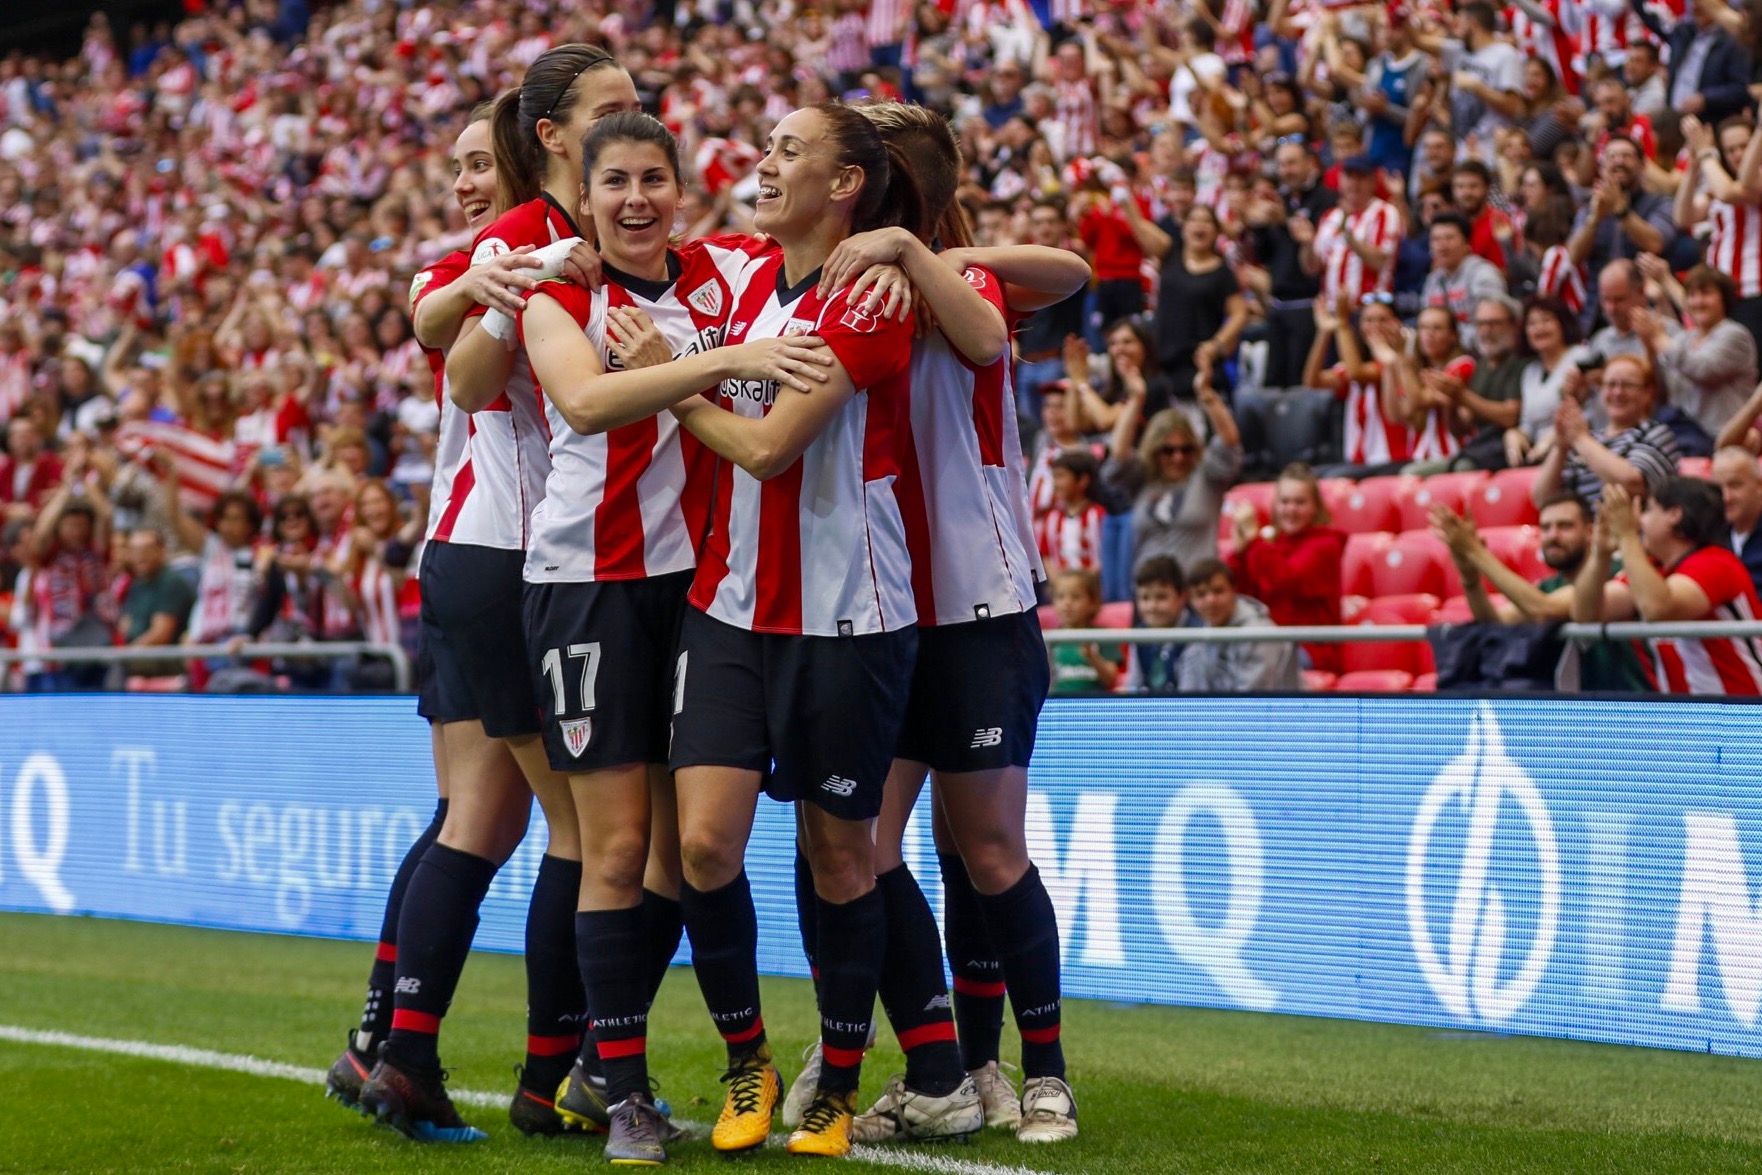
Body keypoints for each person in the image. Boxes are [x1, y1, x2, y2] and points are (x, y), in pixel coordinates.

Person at [516, 101, 927, 1158]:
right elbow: (594, 301)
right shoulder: (729, 277)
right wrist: (521, 261)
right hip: (725, 605)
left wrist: (899, 248)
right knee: (695, 843)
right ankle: (746, 1057)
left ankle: (837, 1077)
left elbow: (767, 448)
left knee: (841, 853)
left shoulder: (866, 294)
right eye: (768, 147)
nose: (764, 161)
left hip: (844, 613)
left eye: (788, 151)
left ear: (844, 185)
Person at [792, 99, 1091, 1146]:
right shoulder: (831, 287)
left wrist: (917, 251)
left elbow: (1053, 282)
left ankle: (1035, 1071)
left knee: (988, 848)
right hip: (878, 611)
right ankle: (938, 1064)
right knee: (862, 846)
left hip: (976, 606)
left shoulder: (957, 276)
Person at [362, 51, 643, 1143]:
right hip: (513, 556)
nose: (636, 121)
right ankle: (544, 1069)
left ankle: (399, 1045)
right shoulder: (524, 237)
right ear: (557, 133)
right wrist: (487, 286)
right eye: (610, 110)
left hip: (506, 554)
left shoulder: (616, 230)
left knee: (482, 814)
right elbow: (444, 335)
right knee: (580, 829)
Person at [1431, 495, 1649, 690]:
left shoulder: (1615, 574)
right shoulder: (1548, 587)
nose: (1553, 535)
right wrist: (1469, 575)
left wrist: (1475, 552)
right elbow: (1493, 620)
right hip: (1575, 710)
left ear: (1590, 531)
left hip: (1628, 707)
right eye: (1546, 528)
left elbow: (1543, 608)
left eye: (1565, 526)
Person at [1574, 479, 1762, 695]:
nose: (1640, 521)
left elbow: (1658, 609)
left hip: (1743, 713)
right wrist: (1600, 554)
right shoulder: (1651, 570)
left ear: (1675, 515)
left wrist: (1627, 536)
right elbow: (1585, 613)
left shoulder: (1717, 563)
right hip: (1679, 717)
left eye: (1648, 510)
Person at [1100, 367, 1241, 575]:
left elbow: (1229, 445)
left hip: (1199, 594)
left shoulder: (1207, 477)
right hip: (1151, 597)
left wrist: (1207, 396)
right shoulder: (1142, 479)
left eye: (1186, 449)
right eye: (1168, 450)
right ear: (1153, 451)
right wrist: (1136, 400)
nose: (1178, 457)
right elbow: (1118, 457)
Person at [1228, 463, 1346, 674]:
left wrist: (1254, 544)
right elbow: (1239, 594)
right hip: (1267, 643)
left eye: (1300, 502)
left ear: (1315, 507)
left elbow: (1285, 581)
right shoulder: (1270, 545)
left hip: (1309, 649)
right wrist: (1239, 553)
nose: (1291, 509)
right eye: (1285, 502)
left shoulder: (1326, 545)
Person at [1533, 353, 1680, 507]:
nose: (1617, 392)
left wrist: (1580, 439)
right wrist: (1561, 446)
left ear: (1648, 393)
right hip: (1580, 528)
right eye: (1610, 385)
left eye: (1627, 385)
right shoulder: (1589, 439)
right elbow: (1542, 499)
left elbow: (1633, 483)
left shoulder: (1657, 433)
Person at [1642, 266, 1757, 448]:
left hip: (1720, 438)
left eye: (1706, 293)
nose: (1698, 302)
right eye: (1692, 295)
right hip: (1679, 433)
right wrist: (1650, 347)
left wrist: (1659, 338)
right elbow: (1664, 391)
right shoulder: (1684, 338)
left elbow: (1702, 369)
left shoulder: (1735, 335)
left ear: (1724, 299)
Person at [1304, 292, 1411, 469]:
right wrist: (1324, 332)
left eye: (1383, 320)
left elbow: (1356, 373)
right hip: (1359, 462)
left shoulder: (1397, 362)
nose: (1375, 326)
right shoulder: (1360, 363)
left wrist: (1342, 324)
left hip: (1393, 461)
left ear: (1397, 323)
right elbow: (1312, 381)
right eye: (1368, 320)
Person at [1177, 557, 1301, 692]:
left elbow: (1251, 702)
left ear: (1234, 591)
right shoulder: (1198, 640)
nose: (1210, 600)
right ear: (1190, 601)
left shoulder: (1260, 633)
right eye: (1201, 595)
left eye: (1218, 591)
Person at [1506, 297, 1590, 469]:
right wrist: (1513, 435)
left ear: (1562, 324)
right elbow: (1527, 424)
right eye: (1532, 323)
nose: (1539, 328)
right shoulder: (1530, 371)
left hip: (1576, 452)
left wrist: (1550, 441)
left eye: (1546, 320)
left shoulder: (1580, 357)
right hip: (1537, 456)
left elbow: (1587, 412)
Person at [115, 528, 195, 677]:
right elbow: (125, 626)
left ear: (161, 551)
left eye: (147, 549)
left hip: (166, 656)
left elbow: (161, 634)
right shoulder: (136, 584)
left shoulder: (171, 582)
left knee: (119, 666)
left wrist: (128, 652)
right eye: (135, 550)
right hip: (136, 652)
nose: (140, 556)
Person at [1420, 213, 1506, 350]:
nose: (1442, 245)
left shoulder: (1483, 274)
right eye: (1436, 239)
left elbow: (1491, 328)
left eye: (1449, 238)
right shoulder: (1433, 280)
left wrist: (1450, 338)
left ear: (1467, 243)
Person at [1119, 555, 1201, 694]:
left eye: (1161, 597)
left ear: (1182, 597)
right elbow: (1134, 685)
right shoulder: (1139, 635)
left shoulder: (1196, 636)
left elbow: (1190, 696)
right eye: (1145, 598)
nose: (1152, 606)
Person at [1047, 568, 1120, 693]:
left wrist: (1092, 657)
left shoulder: (1103, 636)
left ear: (1092, 603)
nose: (1067, 603)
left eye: (1075, 597)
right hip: (1058, 707)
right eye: (1060, 597)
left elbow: (1110, 678)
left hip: (1094, 706)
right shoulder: (1050, 639)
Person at [1037, 448, 1105, 575]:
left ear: (1083, 480)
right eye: (1054, 477)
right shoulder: (1051, 518)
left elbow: (1107, 555)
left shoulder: (1099, 515)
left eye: (1061, 476)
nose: (1055, 484)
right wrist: (1058, 582)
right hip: (1061, 591)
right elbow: (1047, 555)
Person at [1712, 446, 1762, 595]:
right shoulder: (1709, 536)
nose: (1726, 497)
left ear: (1759, 486)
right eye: (1718, 488)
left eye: (1735, 485)